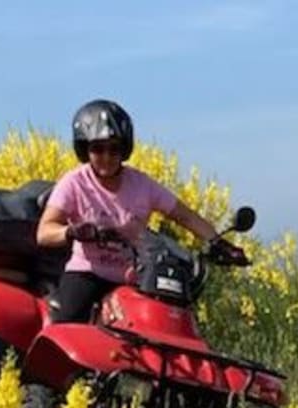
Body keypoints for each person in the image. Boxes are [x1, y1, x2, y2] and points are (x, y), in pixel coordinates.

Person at [36, 98, 246, 322]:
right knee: (67, 324)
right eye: (98, 149)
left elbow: (185, 216)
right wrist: (72, 232)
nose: (106, 157)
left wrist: (219, 243)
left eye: (114, 149)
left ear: (124, 150)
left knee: (168, 322)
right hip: (88, 273)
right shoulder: (74, 183)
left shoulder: (142, 185)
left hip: (136, 278)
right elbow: (44, 232)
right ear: (85, 149)